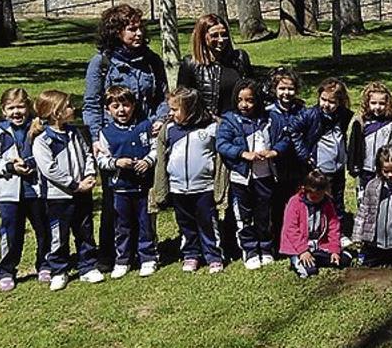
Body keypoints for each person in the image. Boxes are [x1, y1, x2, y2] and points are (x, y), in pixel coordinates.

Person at [83, 4, 168, 269]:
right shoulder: (102, 63)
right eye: (132, 29)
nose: (139, 33)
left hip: (143, 136)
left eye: (140, 28)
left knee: (144, 198)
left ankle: (146, 251)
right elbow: (91, 103)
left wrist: (158, 120)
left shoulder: (152, 61)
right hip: (114, 138)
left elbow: (162, 97)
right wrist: (97, 137)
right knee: (114, 200)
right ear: (117, 31)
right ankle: (111, 254)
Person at [31, 90, 102, 291]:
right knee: (58, 235)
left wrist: (89, 175)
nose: (73, 108)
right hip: (58, 197)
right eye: (69, 105)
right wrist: (74, 185)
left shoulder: (74, 133)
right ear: (56, 113)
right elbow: (49, 169)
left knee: (85, 230)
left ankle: (87, 266)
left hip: (82, 193)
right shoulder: (43, 140)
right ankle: (59, 270)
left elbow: (87, 153)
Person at [154, 88, 224, 274]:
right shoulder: (169, 130)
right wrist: (162, 188)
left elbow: (219, 158)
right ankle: (191, 254)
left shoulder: (211, 128)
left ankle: (213, 255)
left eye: (175, 109)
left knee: (207, 223)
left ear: (191, 109)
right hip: (178, 188)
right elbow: (161, 159)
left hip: (204, 187)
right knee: (186, 224)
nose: (171, 113)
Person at [0, 88, 49, 291]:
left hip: (36, 190)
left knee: (44, 230)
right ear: (4, 111)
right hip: (10, 193)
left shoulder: (39, 128)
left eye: (20, 107)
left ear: (28, 108)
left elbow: (48, 154)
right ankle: (6, 270)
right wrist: (10, 166)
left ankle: (45, 264)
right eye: (11, 108)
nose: (16, 112)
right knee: (11, 233)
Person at [217, 79, 282, 270]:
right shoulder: (229, 120)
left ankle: (266, 247)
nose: (244, 105)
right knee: (244, 215)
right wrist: (242, 154)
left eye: (250, 100)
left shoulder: (269, 119)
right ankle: (250, 250)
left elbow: (283, 138)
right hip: (241, 177)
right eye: (240, 100)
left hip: (264, 175)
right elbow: (222, 144)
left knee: (264, 214)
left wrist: (274, 151)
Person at [95, 86, 158, 279]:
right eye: (116, 106)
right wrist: (116, 163)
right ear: (108, 110)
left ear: (134, 106)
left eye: (126, 105)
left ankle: (147, 257)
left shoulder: (145, 126)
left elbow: (156, 148)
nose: (122, 110)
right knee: (122, 226)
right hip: (120, 188)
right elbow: (101, 160)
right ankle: (122, 259)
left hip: (143, 187)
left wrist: (148, 161)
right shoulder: (106, 133)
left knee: (145, 223)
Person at [289, 78, 353, 238]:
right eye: (323, 99)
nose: (326, 105)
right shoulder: (311, 114)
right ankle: (317, 232)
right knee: (321, 200)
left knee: (337, 199)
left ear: (340, 101)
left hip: (338, 166)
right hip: (319, 167)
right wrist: (304, 154)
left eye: (332, 101)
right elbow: (293, 130)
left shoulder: (343, 116)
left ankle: (337, 231)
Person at [177, 13, 253, 116]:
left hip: (237, 120)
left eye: (224, 35)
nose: (221, 40)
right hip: (207, 123)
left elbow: (252, 90)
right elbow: (182, 100)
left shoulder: (239, 58)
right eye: (214, 36)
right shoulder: (191, 64)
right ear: (202, 37)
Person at [280, 170, 351, 278]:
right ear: (305, 190)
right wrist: (303, 251)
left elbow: (333, 226)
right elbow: (291, 229)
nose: (317, 200)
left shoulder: (327, 203)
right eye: (313, 197)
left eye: (320, 196)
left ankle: (317, 258)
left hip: (319, 244)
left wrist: (334, 250)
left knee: (345, 260)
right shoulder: (294, 202)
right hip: (299, 246)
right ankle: (298, 259)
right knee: (308, 272)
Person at [266, 66, 307, 235]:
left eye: (290, 89)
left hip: (298, 164)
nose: (286, 93)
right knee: (276, 204)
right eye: (282, 88)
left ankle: (299, 234)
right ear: (274, 90)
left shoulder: (302, 111)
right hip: (275, 165)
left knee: (298, 201)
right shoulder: (268, 112)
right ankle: (277, 237)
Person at [348, 82, 392, 202]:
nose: (377, 107)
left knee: (383, 198)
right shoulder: (361, 123)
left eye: (382, 103)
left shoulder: (391, 123)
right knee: (364, 199)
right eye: (373, 103)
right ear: (367, 103)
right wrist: (353, 167)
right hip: (365, 169)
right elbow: (353, 147)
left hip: (384, 169)